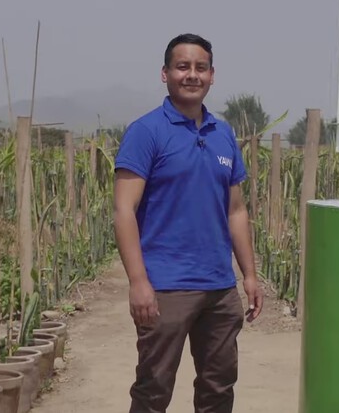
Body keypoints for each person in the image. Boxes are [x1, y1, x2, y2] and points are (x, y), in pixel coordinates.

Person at [112, 33, 264, 413]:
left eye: (200, 67)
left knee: (218, 387)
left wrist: (249, 274)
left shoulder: (223, 134)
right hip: (165, 288)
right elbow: (123, 211)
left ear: (212, 75)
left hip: (218, 287)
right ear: (165, 74)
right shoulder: (146, 132)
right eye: (183, 67)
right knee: (153, 389)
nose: (191, 75)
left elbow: (236, 210)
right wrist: (138, 282)